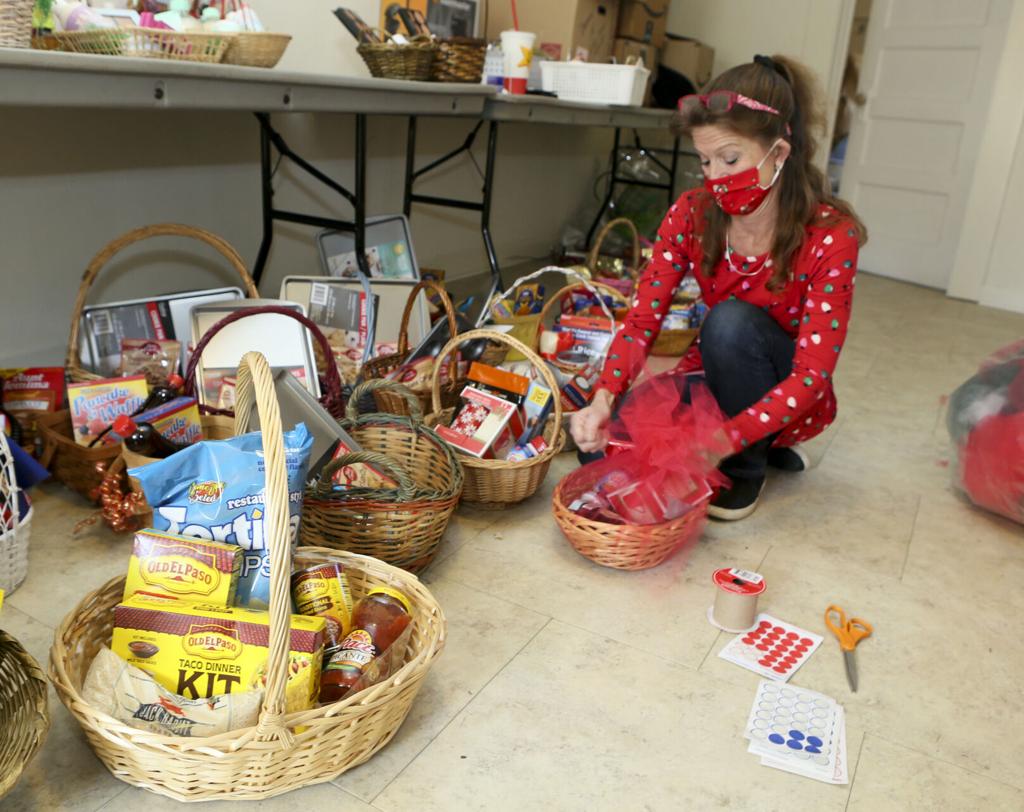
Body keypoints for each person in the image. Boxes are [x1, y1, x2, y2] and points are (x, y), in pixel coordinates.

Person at [570, 54, 867, 521]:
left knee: (729, 322)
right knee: (606, 449)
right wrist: (603, 398)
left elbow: (810, 376)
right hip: (714, 369)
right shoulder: (691, 213)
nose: (715, 178)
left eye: (730, 158)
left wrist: (723, 443)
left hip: (789, 389)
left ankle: (748, 466)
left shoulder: (831, 234)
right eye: (705, 161)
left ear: (780, 154)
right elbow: (642, 321)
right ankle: (757, 442)